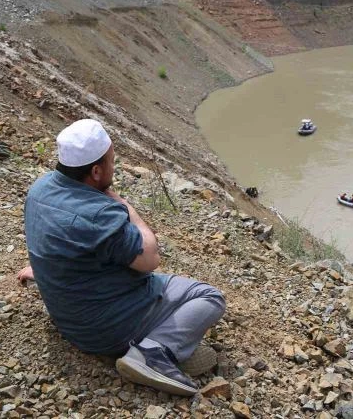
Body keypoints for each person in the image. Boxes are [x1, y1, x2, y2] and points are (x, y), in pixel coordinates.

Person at [17, 119, 225, 396]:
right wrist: (126, 206)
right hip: (106, 330)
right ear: (95, 170)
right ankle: (152, 353)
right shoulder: (100, 214)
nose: (113, 168)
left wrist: (46, 269)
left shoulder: (39, 190)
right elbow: (150, 259)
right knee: (209, 296)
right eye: (112, 162)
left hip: (68, 319)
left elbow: (59, 237)